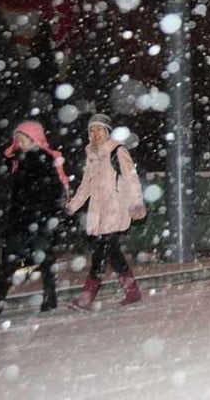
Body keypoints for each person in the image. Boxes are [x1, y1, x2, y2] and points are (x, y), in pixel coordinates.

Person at [0, 121, 70, 316]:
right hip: (21, 220)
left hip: (39, 221)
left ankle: (48, 298)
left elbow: (54, 191)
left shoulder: (44, 159)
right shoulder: (18, 160)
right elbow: (15, 191)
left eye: (24, 138)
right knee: (12, 260)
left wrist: (46, 215)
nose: (20, 142)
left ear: (34, 139)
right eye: (18, 138)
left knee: (41, 259)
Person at [65, 113, 146, 310]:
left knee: (101, 253)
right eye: (92, 130)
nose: (95, 133)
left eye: (99, 129)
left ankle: (87, 297)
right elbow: (86, 184)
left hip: (114, 209)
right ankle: (132, 291)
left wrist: (137, 203)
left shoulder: (117, 151)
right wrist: (73, 205)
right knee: (113, 254)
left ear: (107, 131)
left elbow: (131, 178)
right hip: (97, 211)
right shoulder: (91, 156)